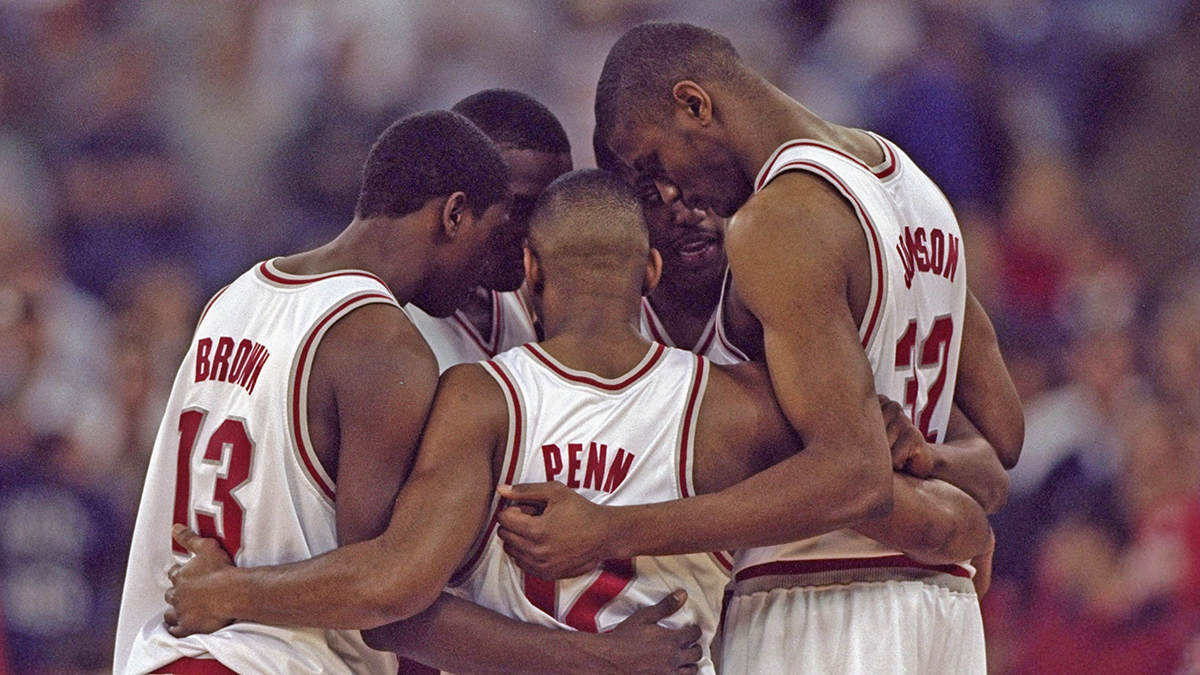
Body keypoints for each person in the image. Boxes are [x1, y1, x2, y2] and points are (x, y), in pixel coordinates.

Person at [161, 169, 991, 674]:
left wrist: (236, 590)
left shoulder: (480, 400)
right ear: (653, 269)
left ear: (527, 272)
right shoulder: (735, 409)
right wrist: (958, 513)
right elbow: (933, 523)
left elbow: (395, 594)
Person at [497, 22, 1024, 675]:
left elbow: (852, 475)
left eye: (656, 167)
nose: (674, 197)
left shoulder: (774, 222)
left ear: (695, 104)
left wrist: (611, 527)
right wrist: (927, 461)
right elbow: (1001, 439)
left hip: (819, 601)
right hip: (943, 612)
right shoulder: (914, 187)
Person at [112, 112, 691, 675]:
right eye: (492, 237)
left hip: (171, 652)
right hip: (271, 660)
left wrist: (227, 590)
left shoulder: (233, 298)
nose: (496, 269)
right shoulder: (380, 341)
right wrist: (602, 659)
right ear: (455, 215)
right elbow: (386, 598)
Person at [406, 90, 572, 370]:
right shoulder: (391, 321)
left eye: (551, 211)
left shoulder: (526, 303)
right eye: (521, 209)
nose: (540, 232)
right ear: (455, 203)